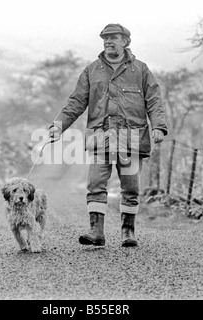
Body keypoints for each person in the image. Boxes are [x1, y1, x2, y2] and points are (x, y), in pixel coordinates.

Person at [49, 23, 168, 247]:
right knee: (95, 184)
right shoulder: (91, 70)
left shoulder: (140, 70)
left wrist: (159, 126)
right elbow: (76, 102)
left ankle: (128, 231)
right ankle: (96, 232)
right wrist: (58, 126)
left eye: (114, 37)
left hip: (131, 137)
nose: (108, 41)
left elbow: (154, 99)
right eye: (105, 38)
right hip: (99, 136)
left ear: (126, 41)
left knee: (131, 186)